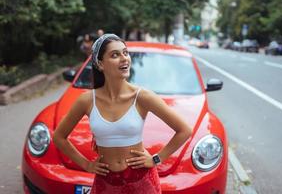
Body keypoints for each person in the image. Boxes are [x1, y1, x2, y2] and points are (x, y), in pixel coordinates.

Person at [53, 34, 192, 193]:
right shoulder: (87, 100)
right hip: (106, 182)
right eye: (115, 55)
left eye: (125, 53)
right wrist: (86, 165)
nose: (124, 58)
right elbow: (59, 137)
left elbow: (184, 130)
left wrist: (156, 159)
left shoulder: (142, 97)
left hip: (142, 180)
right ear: (100, 64)